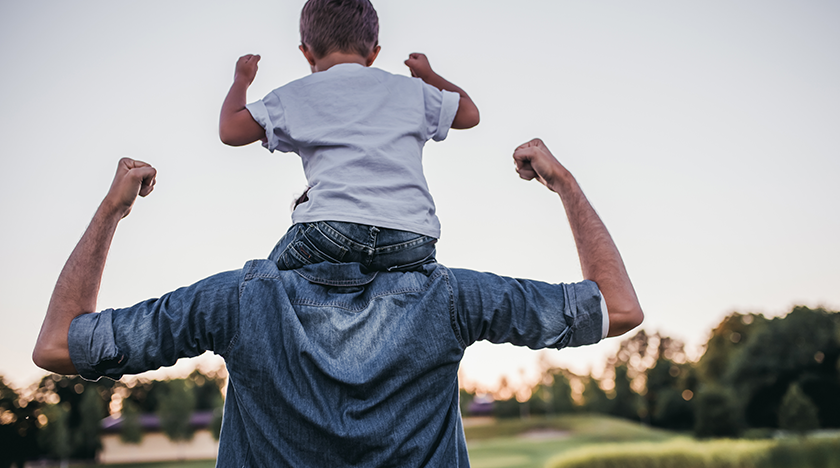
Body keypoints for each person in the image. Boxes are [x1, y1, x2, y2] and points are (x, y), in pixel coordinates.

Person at [33, 139, 643, 467]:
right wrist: (563, 183)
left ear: (302, 219)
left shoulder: (238, 301)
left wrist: (112, 210)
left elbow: (59, 344)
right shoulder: (449, 297)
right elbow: (618, 307)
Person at [219, 0, 480, 273]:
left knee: (264, 283)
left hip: (332, 231)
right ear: (374, 53)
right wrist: (428, 76)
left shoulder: (296, 94)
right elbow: (469, 114)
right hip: (412, 237)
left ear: (306, 53)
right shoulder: (411, 91)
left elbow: (230, 130)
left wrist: (241, 80)